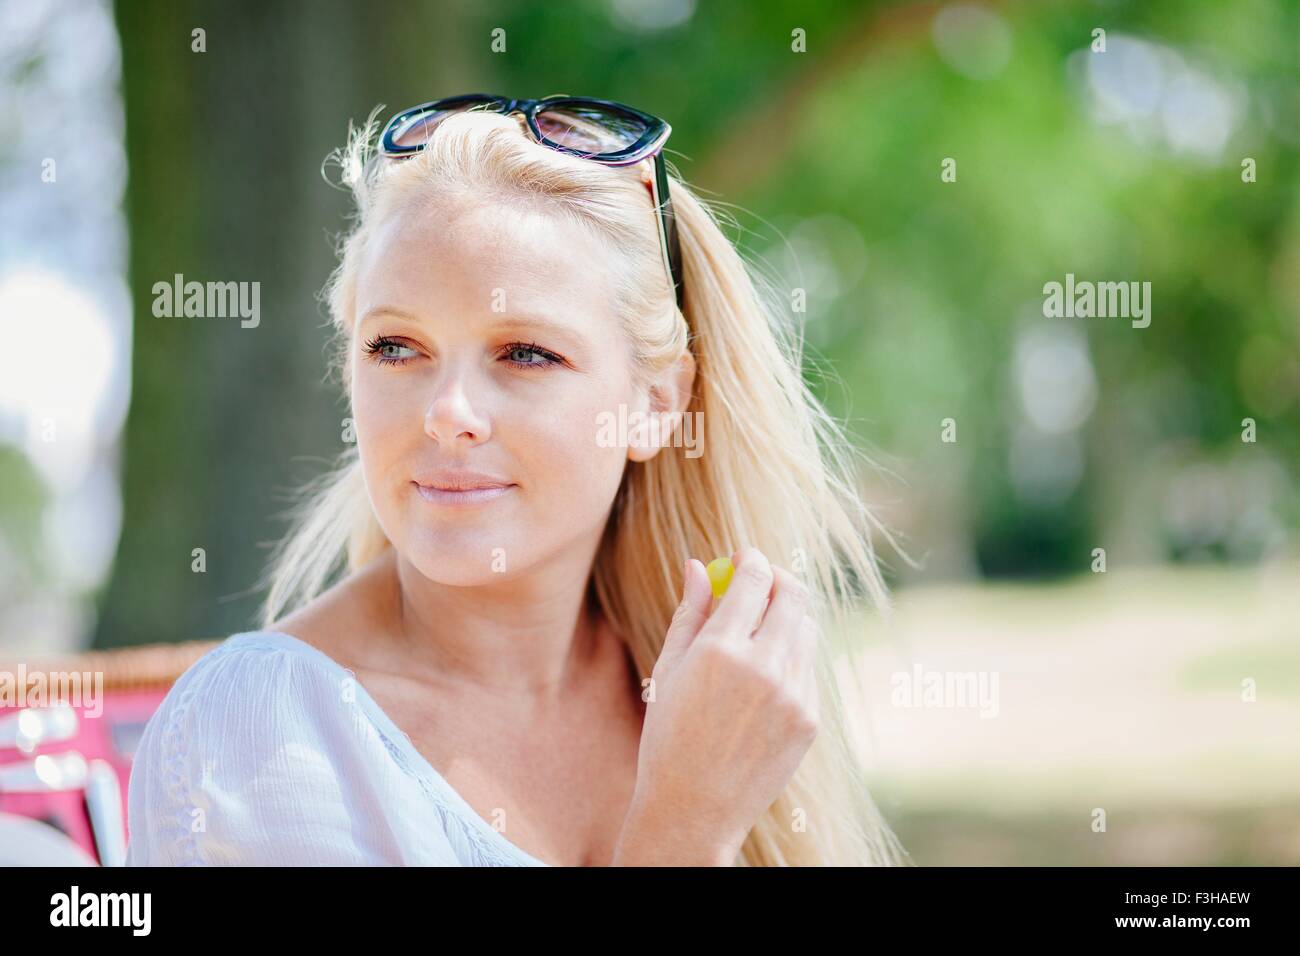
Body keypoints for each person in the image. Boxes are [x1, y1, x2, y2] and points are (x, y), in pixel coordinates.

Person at [125, 97, 908, 866]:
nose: (447, 413)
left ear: (656, 403)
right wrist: (683, 831)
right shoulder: (258, 736)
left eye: (525, 353)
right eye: (396, 347)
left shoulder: (716, 696)